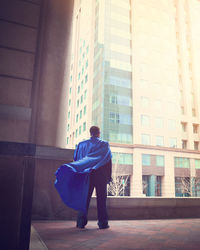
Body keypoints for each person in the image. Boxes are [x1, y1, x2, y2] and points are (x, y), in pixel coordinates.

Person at [55, 126, 112, 229]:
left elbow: (77, 159)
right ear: (99, 133)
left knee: (84, 198)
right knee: (101, 200)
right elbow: (108, 161)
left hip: (85, 175)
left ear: (90, 133)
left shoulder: (81, 145)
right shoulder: (104, 144)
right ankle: (103, 223)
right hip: (101, 175)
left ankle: (81, 222)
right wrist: (108, 177)